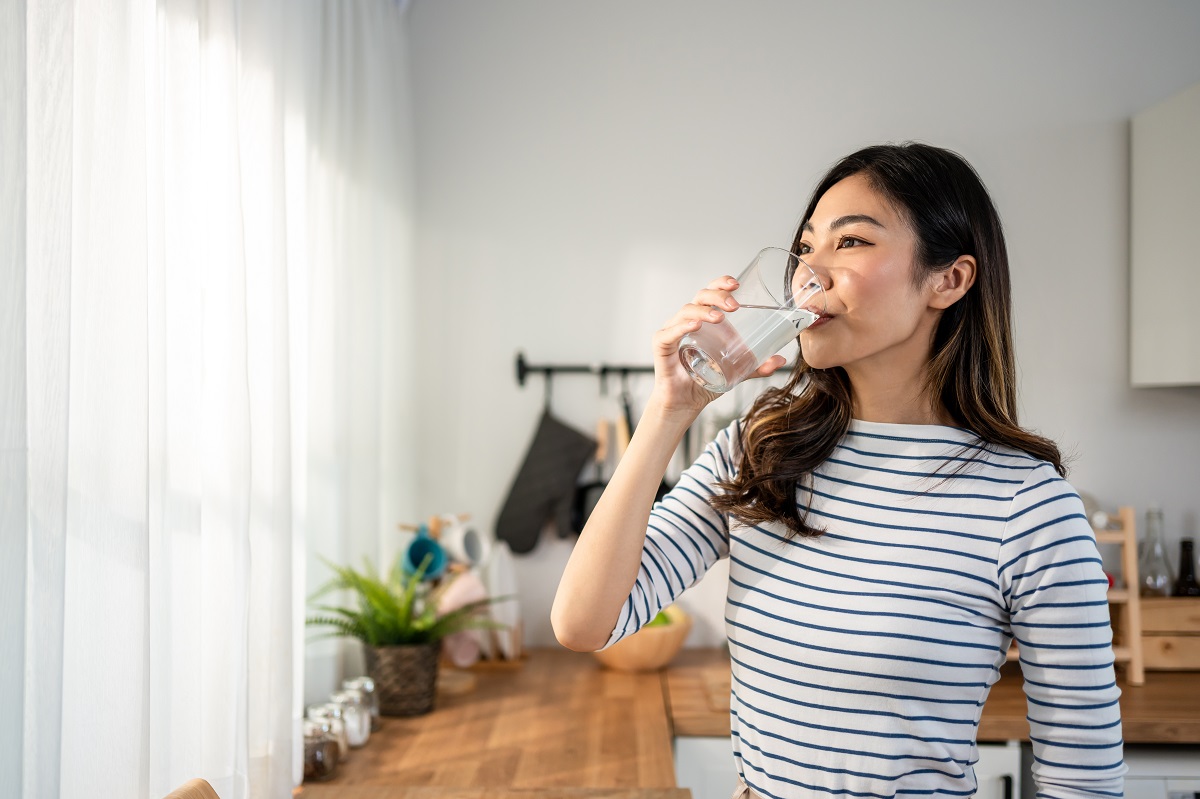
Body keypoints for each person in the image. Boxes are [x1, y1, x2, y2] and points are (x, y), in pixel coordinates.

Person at [551, 142, 1124, 798]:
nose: (807, 275)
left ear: (950, 279)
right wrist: (668, 410)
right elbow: (585, 622)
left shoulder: (1027, 506)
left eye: (850, 242)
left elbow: (1084, 777)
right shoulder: (759, 449)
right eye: (804, 248)